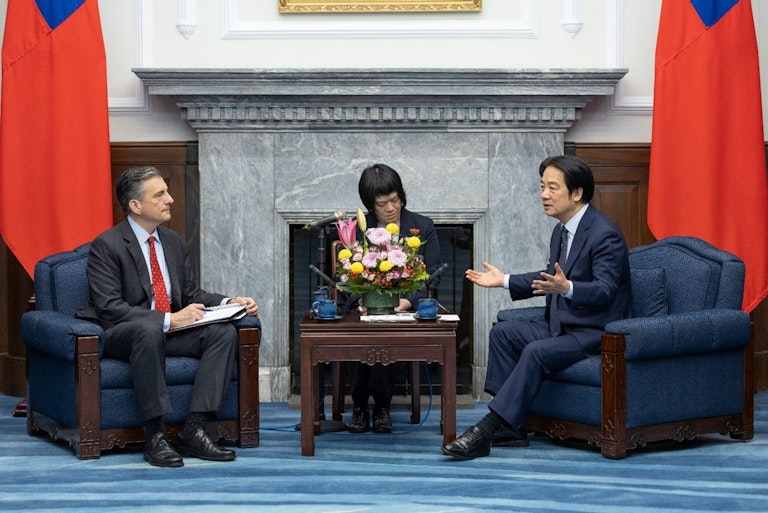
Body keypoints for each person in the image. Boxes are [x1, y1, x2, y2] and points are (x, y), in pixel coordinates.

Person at [442, 155, 631, 460]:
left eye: (552, 188)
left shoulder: (604, 233)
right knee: (503, 333)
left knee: (535, 351)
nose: (544, 194)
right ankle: (512, 428)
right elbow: (550, 277)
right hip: (562, 325)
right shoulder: (562, 230)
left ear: (577, 193)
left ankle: (486, 430)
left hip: (595, 332)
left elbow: (606, 292)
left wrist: (567, 288)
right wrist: (503, 280)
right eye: (542, 186)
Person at [77, 166, 260, 468]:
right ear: (135, 206)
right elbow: (110, 307)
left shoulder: (172, 241)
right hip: (123, 333)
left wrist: (231, 302)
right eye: (160, 194)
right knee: (148, 331)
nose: (170, 199)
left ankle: (195, 429)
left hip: (166, 330)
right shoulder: (107, 245)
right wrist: (168, 319)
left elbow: (189, 294)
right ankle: (154, 435)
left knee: (224, 332)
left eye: (167, 191)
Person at [346, 163, 442, 434]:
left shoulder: (422, 227)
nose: (390, 208)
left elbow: (433, 274)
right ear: (369, 205)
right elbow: (346, 277)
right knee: (359, 331)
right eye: (381, 204)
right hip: (365, 307)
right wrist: (361, 302)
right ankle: (360, 406)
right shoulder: (358, 230)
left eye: (394, 200)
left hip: (405, 307)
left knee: (386, 332)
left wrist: (408, 301)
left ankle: (382, 407)